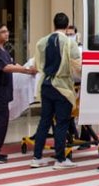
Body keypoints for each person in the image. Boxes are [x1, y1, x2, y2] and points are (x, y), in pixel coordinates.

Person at [29, 12, 81, 169]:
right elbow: (77, 66)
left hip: (46, 85)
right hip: (62, 87)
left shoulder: (42, 42)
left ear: (54, 24)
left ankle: (37, 157)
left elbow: (36, 65)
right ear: (67, 25)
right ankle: (60, 159)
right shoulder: (70, 43)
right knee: (62, 123)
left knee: (44, 121)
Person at [0, 22, 35, 163]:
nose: (7, 33)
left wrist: (28, 70)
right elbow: (5, 67)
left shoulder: (2, 50)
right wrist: (26, 70)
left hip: (3, 91)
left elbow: (13, 64)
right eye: (3, 31)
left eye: (7, 31)